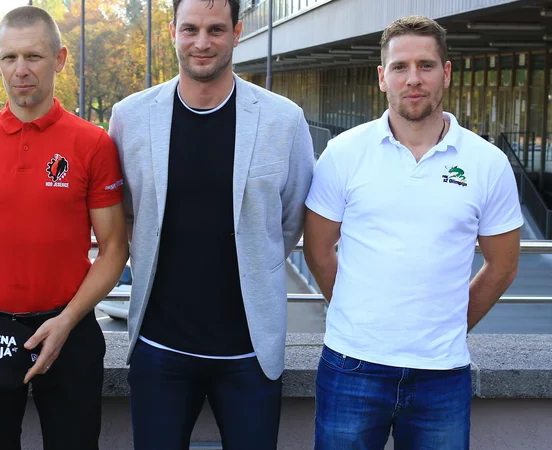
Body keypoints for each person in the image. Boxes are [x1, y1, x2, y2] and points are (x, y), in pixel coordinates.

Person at [304, 15, 522, 450]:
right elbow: (318, 249)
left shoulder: (487, 162)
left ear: (446, 72)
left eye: (425, 65)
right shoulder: (343, 152)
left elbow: (503, 266)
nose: (413, 79)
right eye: (400, 67)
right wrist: (358, 315)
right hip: (351, 367)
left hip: (443, 375)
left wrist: (449, 327)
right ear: (383, 77)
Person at [108, 0, 314, 447]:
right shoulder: (129, 117)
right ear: (172, 32)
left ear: (238, 32)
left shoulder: (285, 120)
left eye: (216, 30)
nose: (202, 43)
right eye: (191, 30)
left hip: (249, 352)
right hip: (160, 347)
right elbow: (124, 213)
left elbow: (291, 218)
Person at [0, 6, 128, 450]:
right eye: (10, 58)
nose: (21, 71)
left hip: (70, 327)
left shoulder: (92, 143)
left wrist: (68, 320)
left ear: (58, 59)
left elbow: (115, 247)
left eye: (34, 57)